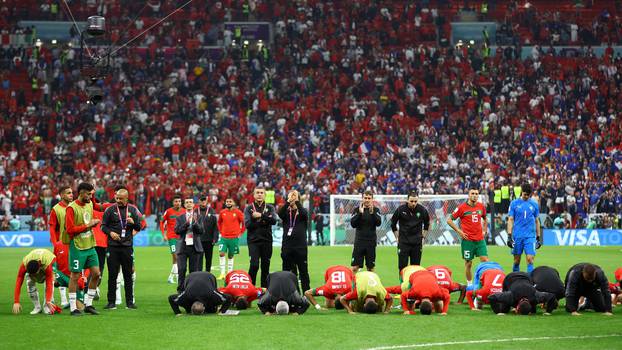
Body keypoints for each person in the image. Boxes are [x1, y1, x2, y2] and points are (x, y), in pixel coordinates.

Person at [64, 182, 103, 316]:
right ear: (81, 193)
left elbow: (96, 210)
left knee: (97, 273)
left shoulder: (90, 203)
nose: (91, 197)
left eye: (92, 194)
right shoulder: (71, 208)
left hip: (90, 245)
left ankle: (89, 304)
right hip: (77, 246)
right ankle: (73, 307)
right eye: (89, 194)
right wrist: (88, 226)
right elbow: (69, 230)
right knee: (75, 276)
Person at [101, 189, 143, 310]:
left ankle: (130, 302)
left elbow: (139, 227)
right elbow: (103, 226)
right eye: (117, 198)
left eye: (121, 198)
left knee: (128, 275)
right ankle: (111, 302)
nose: (118, 200)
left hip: (127, 247)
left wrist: (133, 223)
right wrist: (110, 233)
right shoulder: (110, 210)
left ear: (126, 198)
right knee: (112, 275)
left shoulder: (133, 210)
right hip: (112, 247)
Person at [447, 186, 489, 285]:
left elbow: (485, 218)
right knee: (468, 263)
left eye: (476, 194)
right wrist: (459, 231)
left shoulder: (481, 206)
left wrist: (484, 230)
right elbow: (449, 220)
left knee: (485, 261)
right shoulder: (461, 208)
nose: (474, 196)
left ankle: (484, 283)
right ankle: (470, 285)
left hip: (480, 239)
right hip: (467, 241)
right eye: (472, 194)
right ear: (469, 195)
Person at [244, 186, 277, 288]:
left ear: (265, 195)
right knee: (254, 265)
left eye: (261, 193)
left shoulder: (270, 207)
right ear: (254, 195)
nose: (259, 194)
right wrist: (264, 220)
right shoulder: (249, 208)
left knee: (265, 266)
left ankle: (264, 290)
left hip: (267, 240)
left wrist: (260, 216)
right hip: (253, 241)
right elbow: (248, 225)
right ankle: (250, 289)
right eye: (257, 192)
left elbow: (274, 221)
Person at [278, 190, 310, 291]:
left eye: (294, 196)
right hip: (287, 247)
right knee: (287, 272)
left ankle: (306, 294)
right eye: (290, 196)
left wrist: (296, 202)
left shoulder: (302, 211)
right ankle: (290, 293)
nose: (292, 197)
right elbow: (280, 214)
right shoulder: (286, 212)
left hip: (300, 247)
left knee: (303, 271)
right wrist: (288, 202)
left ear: (298, 199)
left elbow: (304, 214)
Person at [391, 191, 430, 273]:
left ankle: (413, 285)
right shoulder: (400, 209)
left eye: (415, 201)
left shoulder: (422, 210)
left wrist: (423, 237)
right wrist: (397, 236)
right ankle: (402, 285)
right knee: (402, 268)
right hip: (403, 243)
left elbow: (427, 224)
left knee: (416, 269)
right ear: (407, 200)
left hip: (417, 243)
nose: (413, 203)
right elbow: (393, 223)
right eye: (411, 201)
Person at [13, 249, 61, 315]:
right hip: (35, 263)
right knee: (29, 282)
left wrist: (48, 300)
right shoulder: (24, 264)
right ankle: (37, 307)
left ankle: (47, 305)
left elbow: (49, 283)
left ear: (39, 268)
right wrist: (16, 301)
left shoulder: (47, 264)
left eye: (35, 274)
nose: (34, 276)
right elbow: (19, 280)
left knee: (51, 282)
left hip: (51, 262)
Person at [507, 183, 542, 273]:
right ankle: (515, 281)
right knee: (516, 261)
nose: (526, 196)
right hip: (517, 236)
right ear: (521, 192)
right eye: (524, 194)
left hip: (530, 236)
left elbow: (537, 221)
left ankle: (529, 283)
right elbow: (510, 219)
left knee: (530, 259)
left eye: (528, 195)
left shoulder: (534, 204)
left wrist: (538, 237)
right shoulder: (514, 203)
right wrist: (509, 236)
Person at [488, 271, 558, 315]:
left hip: (527, 277)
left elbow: (552, 296)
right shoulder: (510, 296)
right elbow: (491, 297)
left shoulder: (536, 297)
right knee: (504, 310)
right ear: (517, 307)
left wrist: (548, 311)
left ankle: (531, 310)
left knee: (534, 311)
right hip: (510, 278)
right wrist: (498, 312)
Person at [48, 185, 72, 305]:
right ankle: (63, 300)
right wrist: (55, 243)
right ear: (62, 195)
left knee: (73, 270)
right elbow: (52, 227)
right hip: (62, 244)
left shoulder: (74, 206)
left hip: (74, 243)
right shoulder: (56, 209)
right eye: (68, 193)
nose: (71, 195)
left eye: (72, 192)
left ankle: (74, 297)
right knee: (61, 271)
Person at [174, 197, 205, 292]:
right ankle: (180, 291)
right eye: (186, 202)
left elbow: (202, 231)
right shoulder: (180, 218)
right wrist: (186, 224)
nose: (188, 204)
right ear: (184, 205)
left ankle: (192, 290)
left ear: (193, 205)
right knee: (182, 269)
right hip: (183, 247)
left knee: (193, 271)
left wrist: (195, 223)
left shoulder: (199, 217)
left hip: (194, 247)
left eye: (190, 202)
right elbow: (177, 231)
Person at [350, 191, 381, 272]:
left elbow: (378, 223)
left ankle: (371, 284)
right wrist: (360, 214)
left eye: (369, 198)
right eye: (365, 198)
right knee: (354, 267)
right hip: (359, 242)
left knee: (370, 268)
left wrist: (372, 213)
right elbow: (353, 224)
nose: (367, 200)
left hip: (371, 242)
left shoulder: (376, 210)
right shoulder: (357, 210)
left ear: (372, 199)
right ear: (362, 199)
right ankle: (353, 285)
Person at [52, 240, 86, 309]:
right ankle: (50, 303)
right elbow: (54, 261)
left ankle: (74, 301)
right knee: (52, 279)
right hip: (62, 276)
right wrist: (54, 273)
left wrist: (85, 276)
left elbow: (87, 262)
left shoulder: (80, 243)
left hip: (76, 277)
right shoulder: (58, 245)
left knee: (81, 307)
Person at [217, 198, 245, 279]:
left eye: (230, 201)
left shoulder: (238, 212)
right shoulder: (222, 212)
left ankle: (229, 273)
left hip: (234, 238)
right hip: (224, 237)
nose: (228, 203)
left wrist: (241, 232)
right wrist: (221, 231)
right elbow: (219, 222)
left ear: (233, 203)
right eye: (227, 201)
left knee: (230, 255)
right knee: (221, 253)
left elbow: (244, 223)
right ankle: (222, 273)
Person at [161, 195, 185, 284]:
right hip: (172, 237)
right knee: (176, 256)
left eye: (179, 201)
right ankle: (178, 276)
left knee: (177, 258)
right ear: (173, 202)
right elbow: (161, 222)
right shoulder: (168, 211)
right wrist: (164, 234)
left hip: (181, 237)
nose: (177, 203)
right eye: (176, 201)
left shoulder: (184, 211)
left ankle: (171, 277)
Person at [198, 195, 218, 272]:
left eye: (204, 200)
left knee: (208, 258)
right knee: (199, 258)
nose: (203, 202)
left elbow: (215, 226)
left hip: (209, 239)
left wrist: (215, 238)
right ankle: (199, 273)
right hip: (198, 240)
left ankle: (208, 273)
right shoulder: (195, 211)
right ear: (199, 201)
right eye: (201, 200)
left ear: (206, 201)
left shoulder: (212, 211)